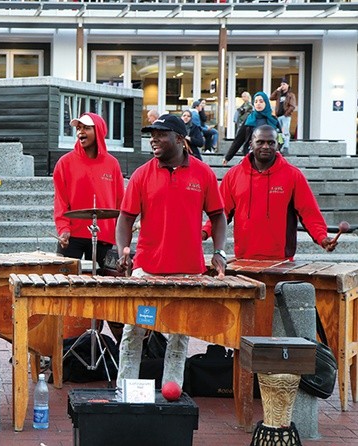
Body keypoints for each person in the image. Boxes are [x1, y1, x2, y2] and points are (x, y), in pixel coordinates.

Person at [114, 113, 228, 388]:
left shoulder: (203, 174)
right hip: (147, 270)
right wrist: (123, 250)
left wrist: (219, 251)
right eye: (151, 135)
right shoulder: (142, 174)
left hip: (187, 270)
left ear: (179, 139)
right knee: (134, 331)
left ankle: (172, 390)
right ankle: (124, 389)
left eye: (160, 134)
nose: (153, 139)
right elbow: (125, 218)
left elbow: (218, 216)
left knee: (179, 336)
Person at [203, 125, 337, 261]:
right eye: (260, 142)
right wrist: (205, 231)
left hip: (281, 259)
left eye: (271, 142)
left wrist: (322, 238)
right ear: (251, 144)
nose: (266, 146)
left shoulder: (293, 175)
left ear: (277, 145)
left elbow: (309, 213)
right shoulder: (233, 175)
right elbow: (220, 212)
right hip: (243, 258)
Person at [53, 112, 125, 343]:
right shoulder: (65, 163)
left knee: (115, 290)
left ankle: (122, 349)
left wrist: (122, 238)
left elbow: (121, 203)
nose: (80, 132)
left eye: (86, 128)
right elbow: (60, 201)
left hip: (106, 237)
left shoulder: (112, 164)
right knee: (61, 288)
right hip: (72, 235)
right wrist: (63, 228)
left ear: (99, 131)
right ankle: (56, 346)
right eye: (78, 128)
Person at [222, 91, 280, 166]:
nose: (258, 104)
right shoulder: (249, 119)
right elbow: (239, 140)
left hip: (271, 156)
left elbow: (280, 137)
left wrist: (278, 149)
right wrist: (227, 157)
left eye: (261, 101)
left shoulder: (273, 119)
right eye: (256, 102)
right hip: (252, 156)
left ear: (266, 103)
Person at [271, 77, 297, 155]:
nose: (282, 86)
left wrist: (286, 114)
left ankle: (286, 147)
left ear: (288, 85)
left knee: (285, 132)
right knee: (279, 133)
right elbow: (271, 97)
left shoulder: (290, 95)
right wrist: (277, 90)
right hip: (278, 116)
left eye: (284, 84)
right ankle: (280, 146)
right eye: (281, 84)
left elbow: (292, 106)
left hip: (285, 116)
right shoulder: (279, 94)